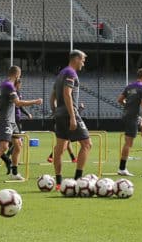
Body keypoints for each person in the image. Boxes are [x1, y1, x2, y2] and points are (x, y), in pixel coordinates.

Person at [0, 66, 43, 182]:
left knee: (18, 145)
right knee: (4, 147)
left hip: (11, 121)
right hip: (6, 120)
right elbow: (18, 103)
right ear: (17, 75)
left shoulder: (2, 85)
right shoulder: (9, 86)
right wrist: (35, 101)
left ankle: (14, 173)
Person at [50, 49, 92, 187]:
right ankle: (78, 180)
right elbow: (67, 94)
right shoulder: (70, 73)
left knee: (60, 148)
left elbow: (52, 97)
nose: (83, 64)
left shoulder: (61, 74)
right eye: (83, 60)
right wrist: (73, 117)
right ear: (76, 59)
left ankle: (58, 182)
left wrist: (55, 111)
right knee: (87, 144)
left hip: (60, 114)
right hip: (69, 113)